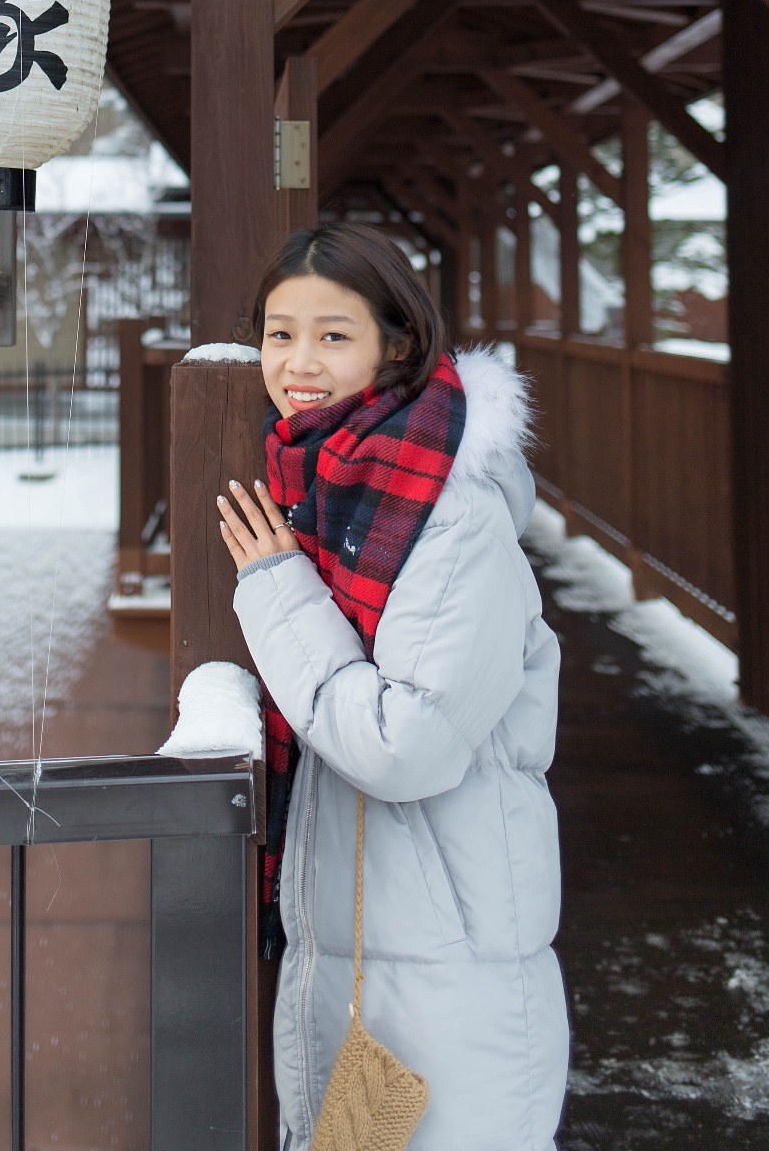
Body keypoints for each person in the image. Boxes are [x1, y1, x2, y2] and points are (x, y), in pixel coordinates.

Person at [217, 224, 568, 1151]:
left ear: (395, 343)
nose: (298, 363)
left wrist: (276, 588)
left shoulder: (450, 518)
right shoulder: (330, 482)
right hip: (372, 945)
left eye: (333, 335)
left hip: (452, 973)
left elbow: (399, 746)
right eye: (278, 333)